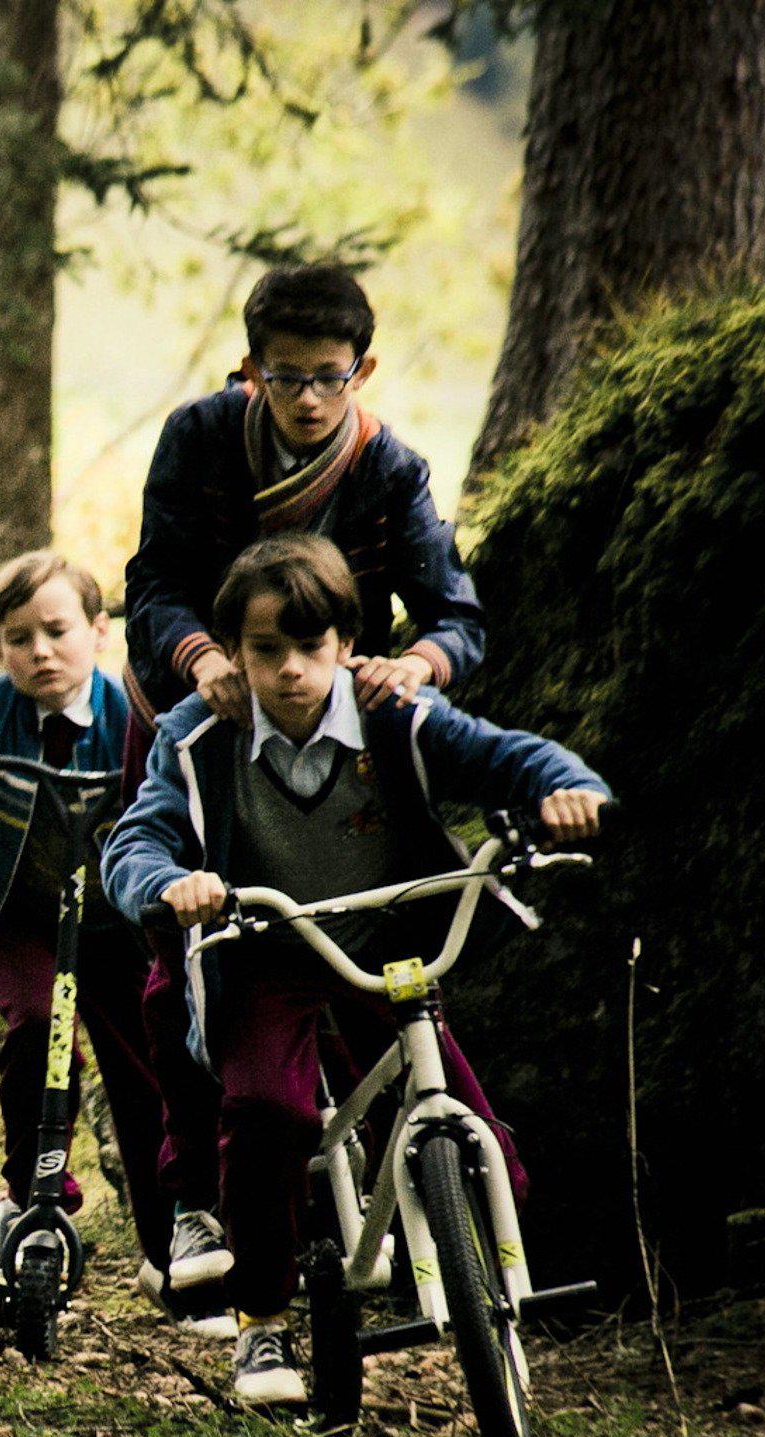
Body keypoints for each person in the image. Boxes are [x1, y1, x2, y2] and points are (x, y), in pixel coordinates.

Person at [102, 534, 608, 1410]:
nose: (293, 670)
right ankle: (262, 1320)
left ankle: (491, 1284)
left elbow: (509, 756)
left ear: (346, 642)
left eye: (312, 646)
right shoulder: (198, 738)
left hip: (387, 942)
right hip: (267, 948)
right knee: (266, 1112)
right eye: (267, 650)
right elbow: (138, 838)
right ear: (234, 652)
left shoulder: (393, 712)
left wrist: (569, 789)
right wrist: (169, 882)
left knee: (473, 1121)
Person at [116, 261, 492, 1298]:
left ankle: (422, 1210)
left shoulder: (393, 472)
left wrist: (414, 667)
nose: (312, 399)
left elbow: (454, 613)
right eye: (288, 378)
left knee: (375, 949)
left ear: (363, 369)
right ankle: (194, 1195)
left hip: (333, 730)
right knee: (182, 959)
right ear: (251, 371)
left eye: (333, 376)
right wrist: (200, 660)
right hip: (201, 720)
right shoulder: (199, 440)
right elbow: (151, 584)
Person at [0, 551, 202, 1321]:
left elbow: (180, 814)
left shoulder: (135, 718)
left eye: (58, 631)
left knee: (148, 1068)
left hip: (116, 921)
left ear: (99, 631)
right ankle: (35, 1198)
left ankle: (172, 1249)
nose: (41, 652)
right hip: (16, 918)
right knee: (37, 1024)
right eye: (18, 639)